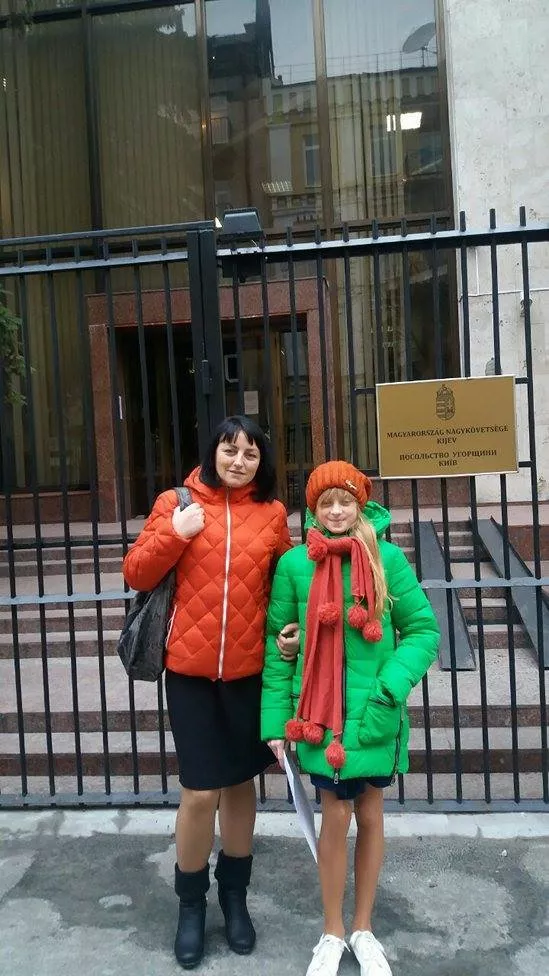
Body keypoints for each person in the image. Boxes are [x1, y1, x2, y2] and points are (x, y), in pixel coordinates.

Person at [123, 416, 297, 969]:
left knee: (241, 785)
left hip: (249, 673)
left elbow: (284, 588)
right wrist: (176, 533)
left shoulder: (272, 515)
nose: (239, 461)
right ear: (213, 453)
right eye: (229, 450)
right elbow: (136, 573)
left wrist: (289, 633)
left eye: (250, 453)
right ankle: (191, 905)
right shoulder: (175, 502)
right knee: (200, 792)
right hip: (191, 673)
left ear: (261, 461)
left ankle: (235, 898)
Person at [261, 461, 440, 976]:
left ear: (360, 505)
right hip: (319, 717)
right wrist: (275, 722)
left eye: (345, 501)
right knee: (334, 817)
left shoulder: (386, 558)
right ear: (313, 510)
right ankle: (333, 930)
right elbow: (278, 645)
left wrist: (390, 686)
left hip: (373, 712)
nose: (336, 511)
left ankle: (363, 928)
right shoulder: (294, 565)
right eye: (326, 503)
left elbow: (424, 630)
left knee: (371, 813)